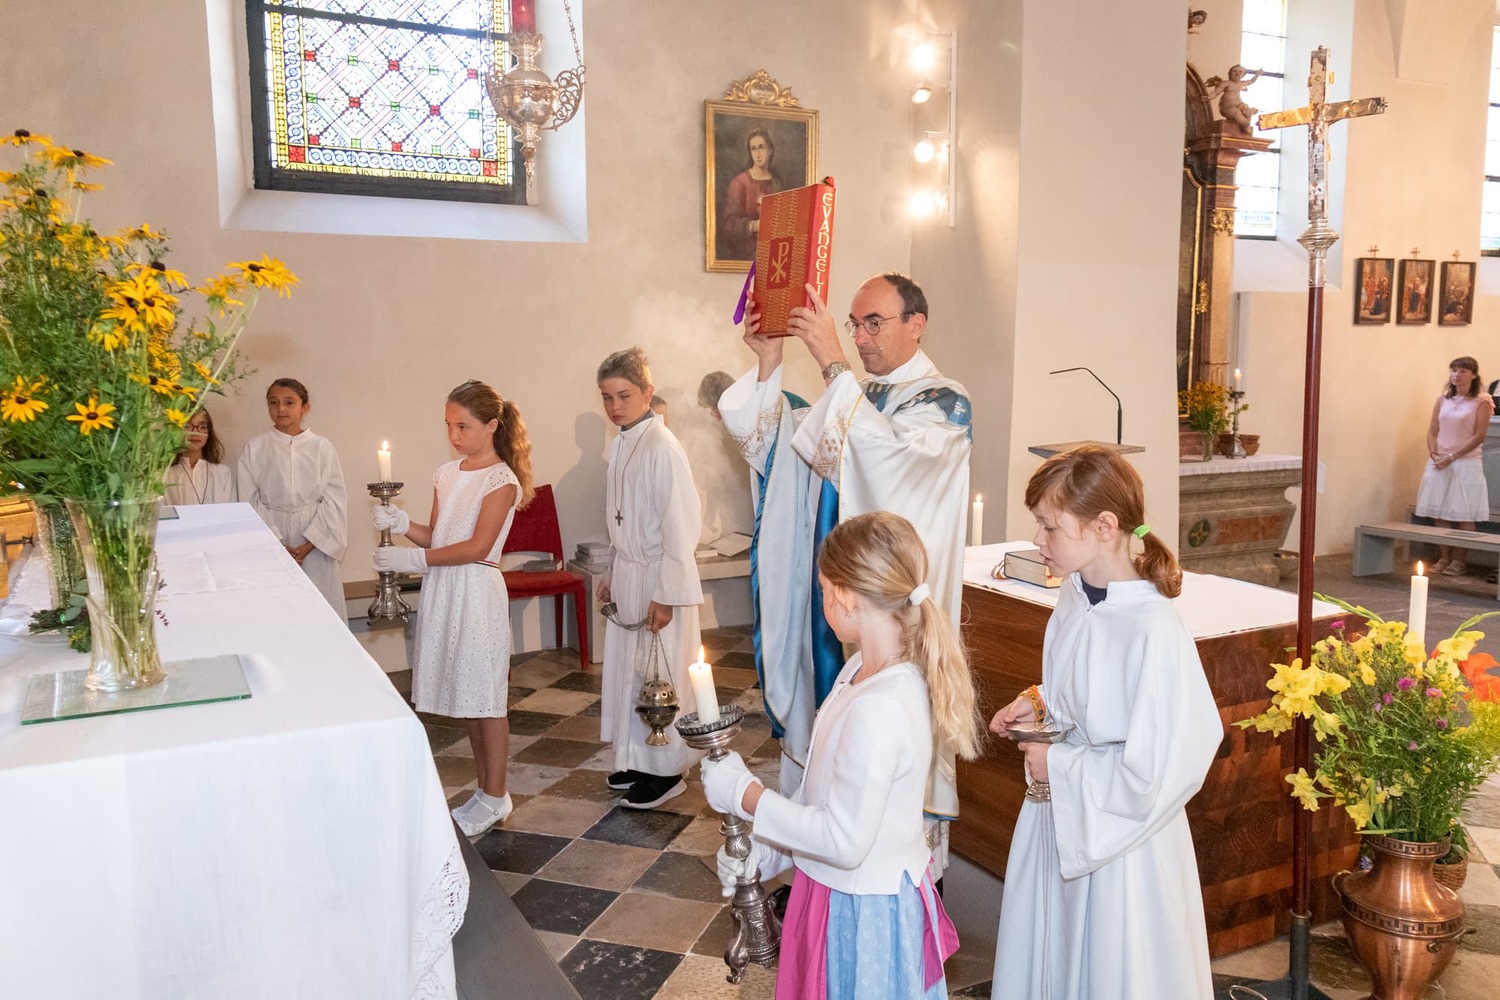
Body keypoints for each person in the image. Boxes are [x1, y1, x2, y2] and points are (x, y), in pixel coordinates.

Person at [736, 271, 973, 851]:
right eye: (854, 324)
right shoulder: (858, 395)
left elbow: (885, 465)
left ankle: (895, 875)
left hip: (892, 619)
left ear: (916, 325)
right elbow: (784, 457)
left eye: (874, 323)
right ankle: (815, 851)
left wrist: (831, 361)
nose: (860, 337)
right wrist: (769, 363)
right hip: (838, 604)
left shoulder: (944, 402)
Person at [700, 512, 979, 1000]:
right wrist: (765, 854)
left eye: (825, 588)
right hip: (831, 893)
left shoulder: (882, 706)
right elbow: (820, 799)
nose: (822, 598)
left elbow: (844, 841)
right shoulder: (857, 673)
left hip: (863, 916)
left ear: (847, 597)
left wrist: (747, 796)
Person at [987, 445, 1221, 1000]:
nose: (1038, 539)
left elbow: (1163, 767)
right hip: (1060, 816)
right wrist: (1041, 703)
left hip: (1123, 846)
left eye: (1049, 526)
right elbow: (1091, 689)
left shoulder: (1153, 628)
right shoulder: (1075, 596)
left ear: (1104, 526)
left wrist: (1060, 764)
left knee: (1112, 967)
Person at [372, 380, 535, 837]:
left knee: (486, 697)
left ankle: (497, 794)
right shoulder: (446, 473)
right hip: (445, 587)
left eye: (463, 426)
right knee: (467, 696)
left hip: (477, 590)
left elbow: (477, 546)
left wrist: (412, 560)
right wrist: (403, 524)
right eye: (448, 425)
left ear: (492, 425)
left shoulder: (501, 479)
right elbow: (440, 536)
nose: (454, 435)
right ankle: (485, 791)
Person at [707, 362, 827, 798]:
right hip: (802, 571)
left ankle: (810, 788)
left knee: (812, 677)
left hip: (812, 574)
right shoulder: (779, 426)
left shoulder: (791, 424)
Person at [597, 348, 706, 808]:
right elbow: (619, 518)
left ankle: (668, 770)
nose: (615, 406)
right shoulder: (622, 443)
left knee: (662, 673)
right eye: (607, 397)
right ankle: (636, 758)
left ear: (647, 392)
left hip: (659, 577)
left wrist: (667, 594)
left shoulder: (662, 446)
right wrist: (611, 568)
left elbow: (681, 526)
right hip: (629, 572)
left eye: (624, 395)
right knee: (631, 671)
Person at [237, 378, 349, 614]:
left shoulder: (321, 447)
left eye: (289, 402)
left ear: (304, 407)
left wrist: (309, 545)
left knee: (319, 610)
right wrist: (277, 544)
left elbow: (334, 500)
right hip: (270, 537)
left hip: (315, 543)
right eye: (273, 402)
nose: (281, 409)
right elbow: (248, 500)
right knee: (275, 610)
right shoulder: (255, 447)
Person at [1416, 356, 1494, 577]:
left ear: (1474, 375)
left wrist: (1453, 456)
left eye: (1463, 371)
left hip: (1466, 462)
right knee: (1441, 512)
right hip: (1440, 461)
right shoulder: (1443, 399)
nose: (1457, 375)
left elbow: (1479, 436)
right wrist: (1434, 453)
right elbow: (1433, 431)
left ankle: (1459, 560)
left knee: (1464, 513)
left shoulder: (1481, 401)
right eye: (1454, 370)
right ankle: (1444, 557)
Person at [720, 129, 782, 260]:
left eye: (761, 147)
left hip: (774, 255)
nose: (758, 154)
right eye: (753, 149)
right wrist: (754, 226)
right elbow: (728, 223)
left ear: (770, 150)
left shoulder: (776, 183)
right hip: (747, 254)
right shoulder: (739, 182)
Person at [163, 408, 235, 505]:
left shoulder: (222, 473)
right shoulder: (164, 475)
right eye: (187, 426)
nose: (195, 432)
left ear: (209, 433)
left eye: (202, 427)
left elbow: (230, 511)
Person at [1203, 64, 1262, 133]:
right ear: (1230, 73)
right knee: (1239, 115)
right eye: (1235, 71)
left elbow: (1251, 81)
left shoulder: (1241, 83)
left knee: (1246, 112)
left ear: (1243, 75)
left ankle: (1247, 124)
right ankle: (1246, 124)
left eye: (1240, 72)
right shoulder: (1226, 83)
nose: (1237, 73)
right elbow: (1216, 92)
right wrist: (1209, 97)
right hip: (1228, 108)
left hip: (1240, 106)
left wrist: (1257, 75)